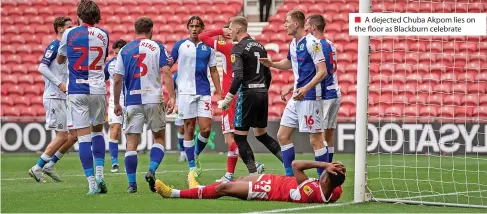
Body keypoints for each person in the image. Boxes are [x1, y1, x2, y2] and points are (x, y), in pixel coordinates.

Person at [259, 10, 328, 177]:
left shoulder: (313, 43)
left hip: (310, 97)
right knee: (282, 135)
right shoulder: (293, 43)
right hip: (297, 97)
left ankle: (324, 180)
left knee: (316, 140)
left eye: (287, 21)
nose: (284, 25)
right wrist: (272, 64)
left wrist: (305, 88)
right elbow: (289, 63)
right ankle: (291, 178)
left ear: (296, 24)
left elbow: (322, 72)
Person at [113, 17, 175, 193]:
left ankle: (132, 185)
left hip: (132, 101)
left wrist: (117, 102)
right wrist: (172, 97)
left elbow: (117, 79)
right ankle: (151, 170)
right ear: (151, 30)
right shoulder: (157, 47)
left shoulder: (124, 50)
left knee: (131, 143)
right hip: (153, 99)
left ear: (135, 30)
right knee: (159, 137)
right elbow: (166, 71)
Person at [199, 25, 265, 182]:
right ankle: (229, 174)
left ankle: (253, 164)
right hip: (244, 96)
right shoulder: (248, 48)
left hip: (231, 97)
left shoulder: (229, 47)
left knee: (230, 139)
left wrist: (220, 31)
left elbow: (202, 36)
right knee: (235, 138)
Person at [218, 16, 283, 175]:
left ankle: (254, 176)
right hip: (262, 92)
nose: (230, 32)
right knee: (262, 135)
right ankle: (289, 166)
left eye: (231, 29)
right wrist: (263, 91)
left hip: (248, 94)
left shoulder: (238, 48)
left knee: (239, 138)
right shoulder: (260, 46)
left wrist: (228, 98)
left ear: (238, 29)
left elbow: (238, 76)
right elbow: (268, 74)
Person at [56, 0, 109, 195]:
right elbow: (102, 60)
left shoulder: (69, 33)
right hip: (97, 90)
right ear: (96, 16)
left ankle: (92, 184)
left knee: (83, 138)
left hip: (77, 91)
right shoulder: (104, 35)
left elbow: (60, 59)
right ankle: (101, 174)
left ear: (79, 15)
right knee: (98, 132)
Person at [170, 16, 222, 177]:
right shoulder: (180, 45)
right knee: (189, 128)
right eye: (191, 26)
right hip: (185, 93)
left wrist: (220, 92)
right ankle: (192, 167)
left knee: (206, 129)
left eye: (197, 26)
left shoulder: (209, 47)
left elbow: (213, 70)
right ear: (187, 28)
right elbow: (168, 64)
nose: (194, 29)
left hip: (204, 92)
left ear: (202, 28)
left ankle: (195, 154)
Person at [155, 160, 345, 204]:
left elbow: (296, 165)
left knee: (224, 188)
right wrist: (335, 171)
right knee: (241, 179)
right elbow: (337, 185)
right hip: (274, 180)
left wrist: (324, 163)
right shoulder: (334, 191)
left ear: (325, 178)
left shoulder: (311, 192)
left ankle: (173, 193)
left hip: (267, 190)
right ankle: (199, 188)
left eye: (323, 173)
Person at [29, 16, 78, 183]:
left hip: (64, 97)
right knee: (63, 136)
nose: (72, 29)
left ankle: (49, 165)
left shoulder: (66, 47)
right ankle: (37, 167)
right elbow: (41, 66)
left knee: (74, 135)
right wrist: (59, 84)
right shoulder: (55, 45)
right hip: (54, 96)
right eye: (69, 27)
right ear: (59, 29)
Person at [306, 14, 340, 163]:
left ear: (313, 27)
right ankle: (330, 170)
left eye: (308, 25)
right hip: (335, 91)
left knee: (318, 137)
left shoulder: (317, 45)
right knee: (329, 134)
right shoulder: (331, 44)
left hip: (325, 94)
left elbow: (318, 71)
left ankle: (325, 173)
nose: (306, 29)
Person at [104, 39, 127, 173]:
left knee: (130, 132)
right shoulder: (110, 65)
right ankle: (114, 162)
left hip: (130, 101)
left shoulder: (131, 63)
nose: (117, 56)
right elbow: (102, 78)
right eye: (115, 53)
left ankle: (129, 159)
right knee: (115, 129)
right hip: (115, 101)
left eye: (120, 53)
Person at [173, 72, 187, 162]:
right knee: (181, 129)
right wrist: (174, 104)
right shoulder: (176, 76)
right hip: (180, 104)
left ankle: (191, 152)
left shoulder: (192, 73)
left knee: (190, 128)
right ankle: (182, 153)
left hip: (191, 103)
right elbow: (172, 90)